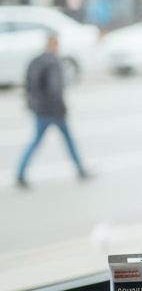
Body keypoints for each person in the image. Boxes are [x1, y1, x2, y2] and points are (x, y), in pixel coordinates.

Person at [15, 35, 90, 188]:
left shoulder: (36, 60)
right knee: (67, 140)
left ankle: (20, 172)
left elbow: (28, 84)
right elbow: (55, 89)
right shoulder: (53, 63)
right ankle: (80, 169)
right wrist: (61, 108)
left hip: (39, 108)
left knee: (37, 141)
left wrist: (32, 104)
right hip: (54, 110)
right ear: (55, 45)